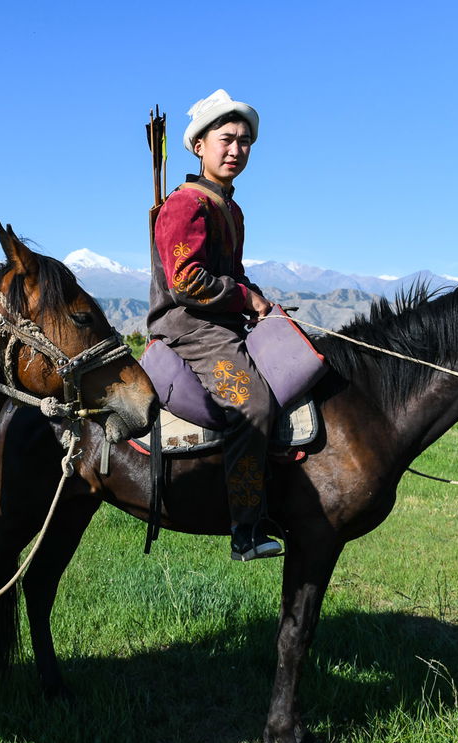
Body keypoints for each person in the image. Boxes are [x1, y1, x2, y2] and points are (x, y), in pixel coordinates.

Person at [146, 90, 284, 561]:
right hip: (191, 328)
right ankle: (246, 529)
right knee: (254, 404)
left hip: (221, 322)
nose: (236, 150)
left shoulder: (230, 208)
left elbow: (231, 272)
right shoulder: (186, 204)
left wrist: (260, 301)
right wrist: (245, 297)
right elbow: (186, 282)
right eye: (226, 139)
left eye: (245, 142)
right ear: (200, 145)